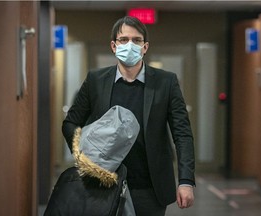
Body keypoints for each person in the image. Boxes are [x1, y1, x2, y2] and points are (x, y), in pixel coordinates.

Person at [62, 16, 195, 216]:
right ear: (114, 46)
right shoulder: (96, 81)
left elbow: (182, 133)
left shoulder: (165, 82)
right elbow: (71, 122)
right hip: (104, 185)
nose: (130, 45)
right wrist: (85, 155)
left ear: (145, 47)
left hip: (150, 187)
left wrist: (186, 181)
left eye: (136, 40)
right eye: (123, 40)